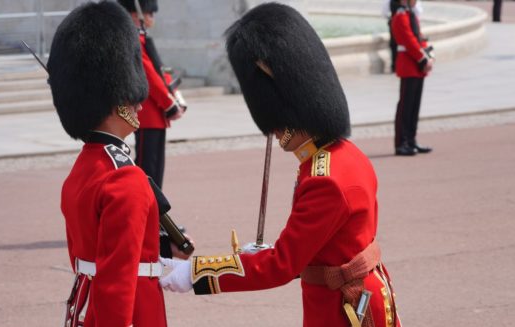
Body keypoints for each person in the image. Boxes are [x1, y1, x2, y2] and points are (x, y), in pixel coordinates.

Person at [159, 4, 401, 327]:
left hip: (342, 310)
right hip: (353, 297)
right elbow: (321, 247)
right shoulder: (344, 156)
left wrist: (195, 272)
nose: (274, 131)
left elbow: (281, 265)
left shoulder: (325, 179)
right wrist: (258, 255)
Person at [47, 2, 168, 325]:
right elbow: (118, 280)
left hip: (87, 303)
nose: (140, 105)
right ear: (118, 102)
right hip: (131, 310)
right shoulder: (124, 179)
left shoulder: (85, 166)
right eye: (133, 99)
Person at [118, 0, 186, 189]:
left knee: (155, 171)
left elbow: (160, 70)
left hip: (156, 112)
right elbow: (149, 75)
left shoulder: (142, 38)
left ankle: (156, 214)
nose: (151, 17)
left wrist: (175, 96)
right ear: (134, 14)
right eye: (149, 13)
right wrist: (169, 103)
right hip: (147, 112)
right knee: (146, 170)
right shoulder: (132, 41)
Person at [392, 0, 434, 156]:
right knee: (405, 107)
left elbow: (419, 37)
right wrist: (423, 59)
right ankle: (401, 142)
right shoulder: (401, 15)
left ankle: (411, 139)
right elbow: (409, 40)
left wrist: (429, 55)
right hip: (409, 65)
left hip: (416, 65)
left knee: (414, 106)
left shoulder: (410, 14)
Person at [382, 0, 422, 72]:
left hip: (396, 23)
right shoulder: (403, 17)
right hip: (410, 65)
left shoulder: (402, 16)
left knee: (394, 44)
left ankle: (395, 65)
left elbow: (385, 13)